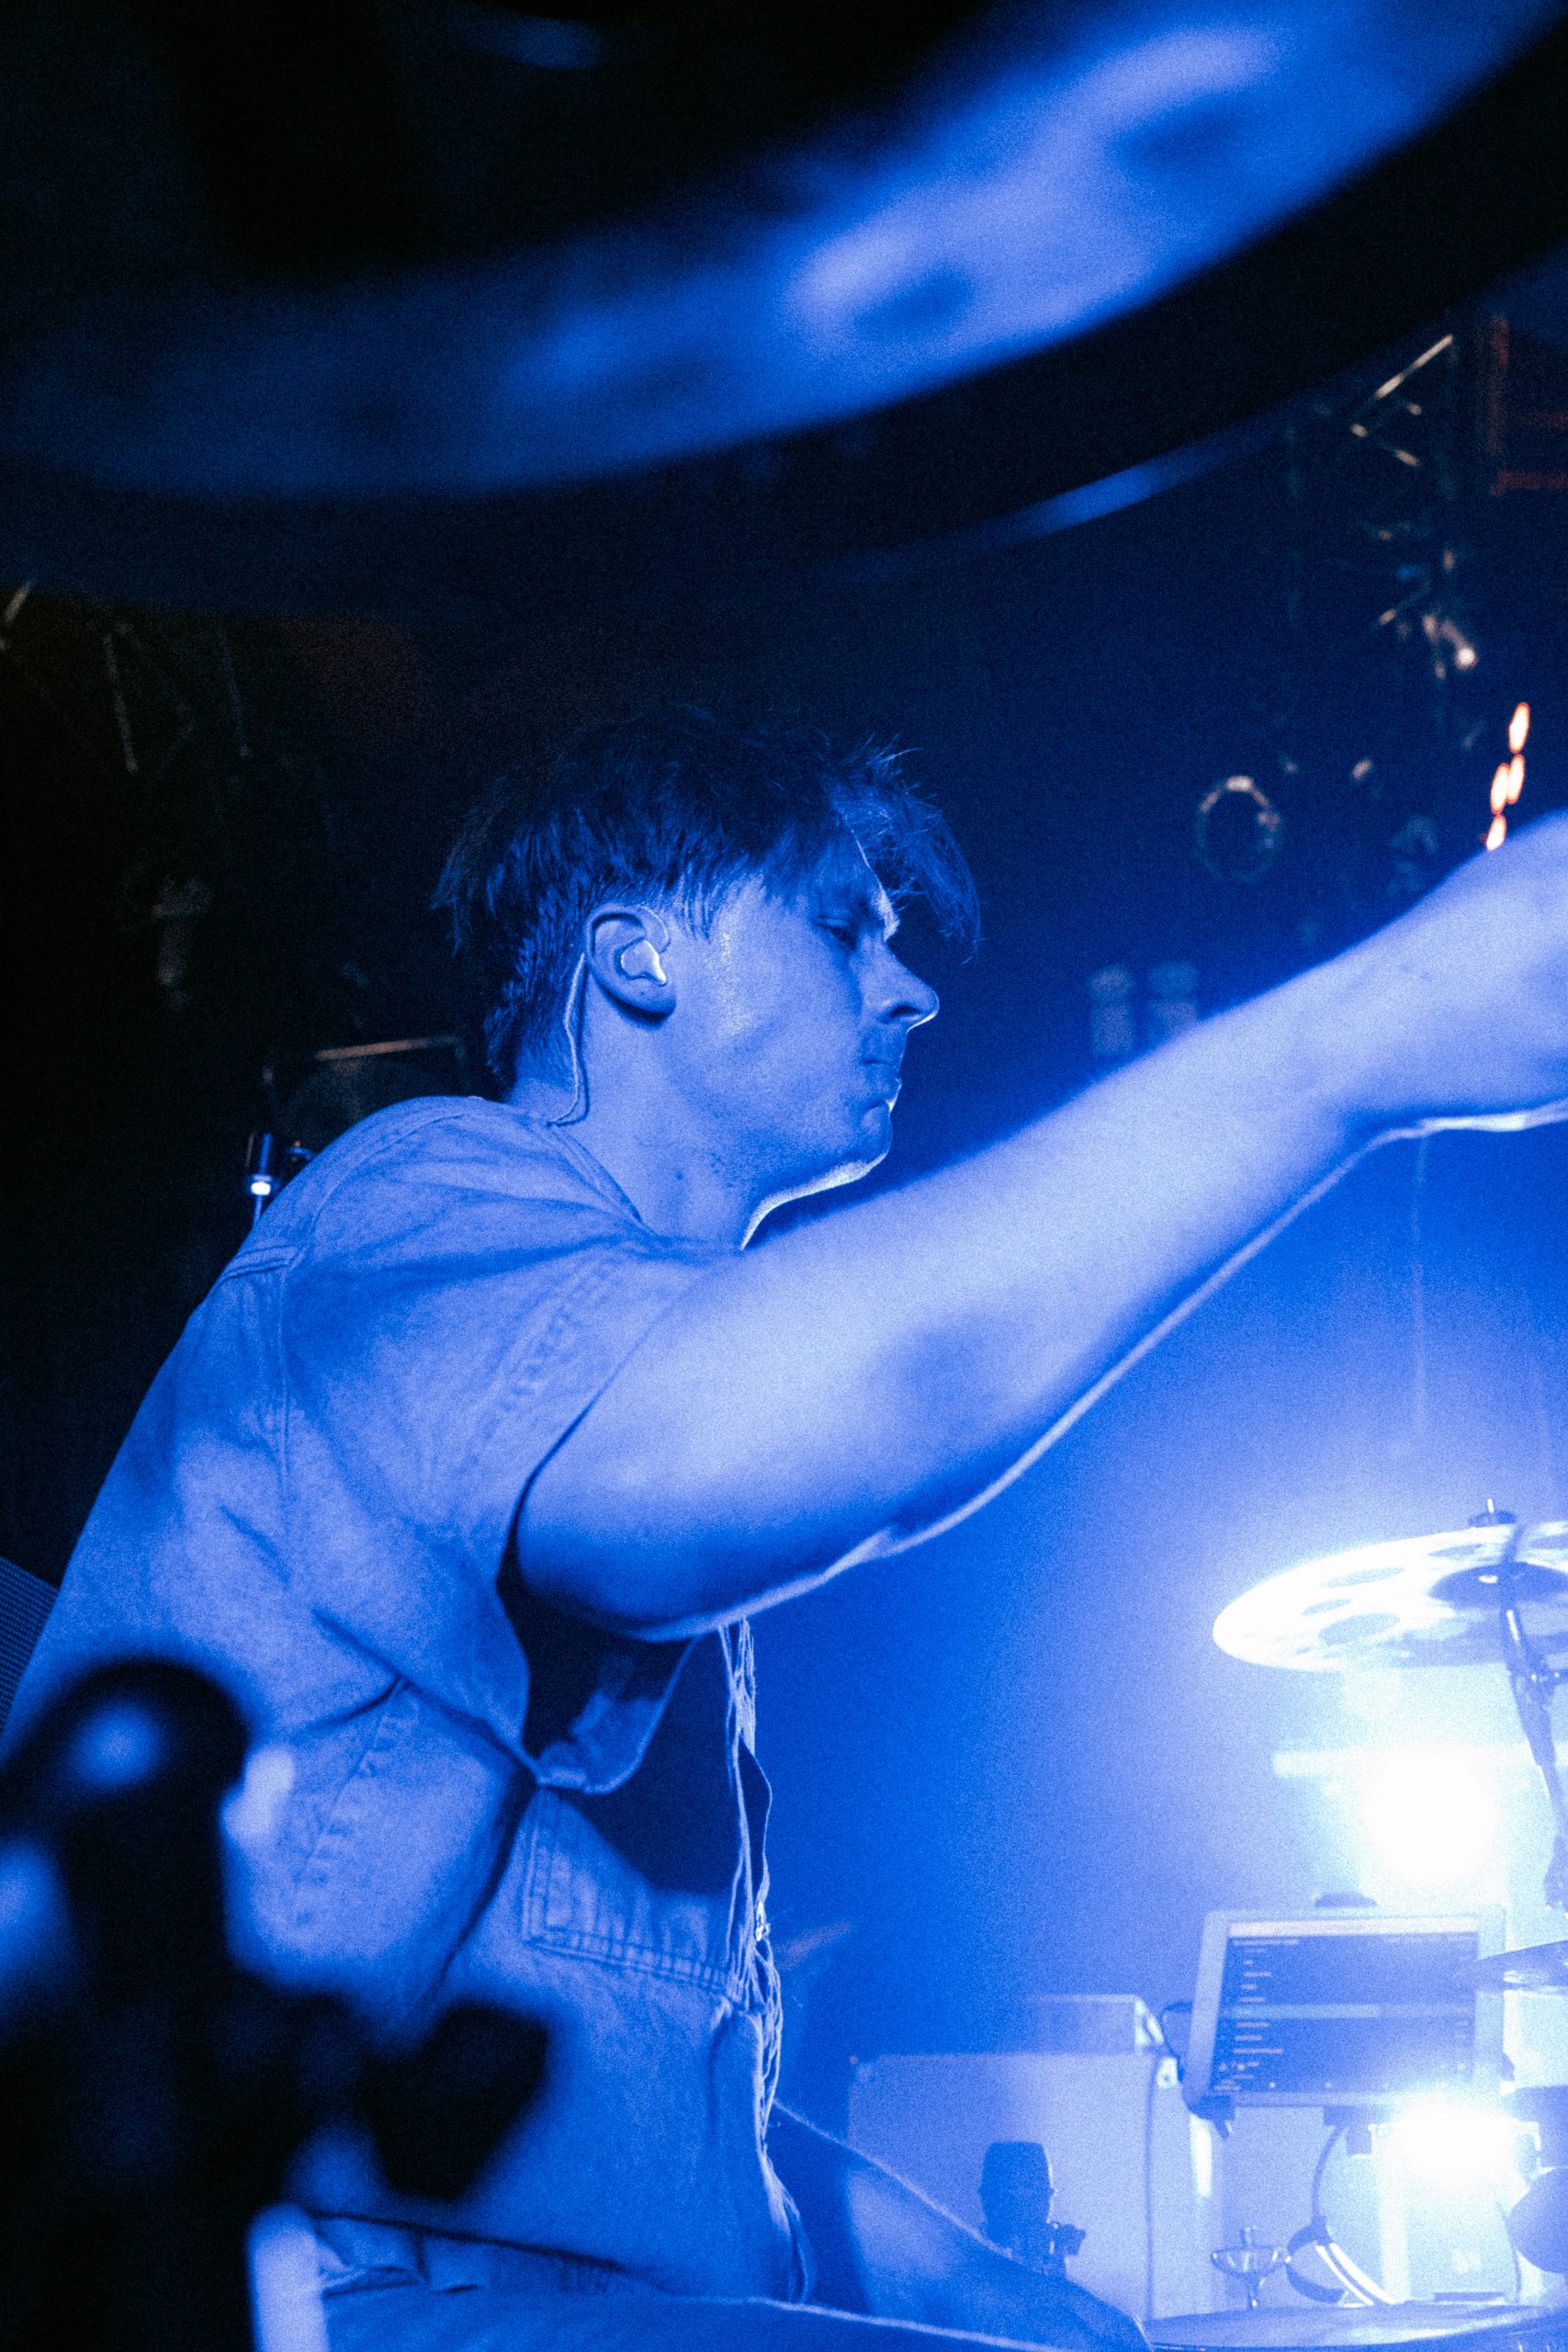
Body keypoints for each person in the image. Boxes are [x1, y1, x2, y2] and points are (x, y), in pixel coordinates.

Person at [14, 705, 1568, 2352]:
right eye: (842, 928)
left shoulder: (608, 1326)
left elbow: (634, 2148)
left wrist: (981, 2289)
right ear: (637, 961)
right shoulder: (418, 1203)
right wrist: (1371, 1041)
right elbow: (796, 1432)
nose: (911, 989)